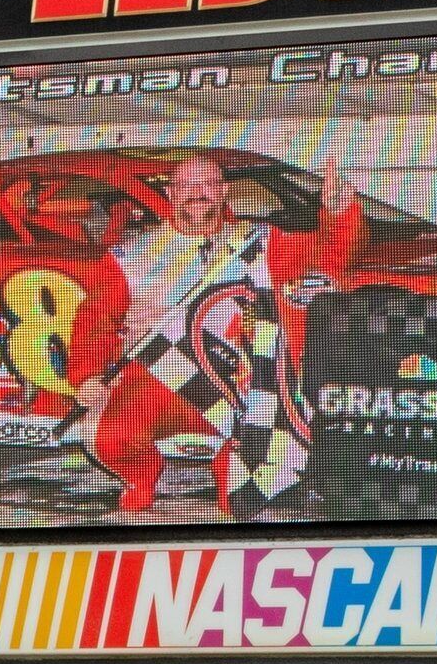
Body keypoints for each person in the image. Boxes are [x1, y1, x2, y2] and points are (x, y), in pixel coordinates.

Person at [73, 154, 364, 515]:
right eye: (187, 185)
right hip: (161, 378)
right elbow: (95, 320)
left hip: (245, 382)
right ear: (170, 192)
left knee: (239, 502)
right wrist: (87, 375)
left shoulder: (260, 239)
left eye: (208, 185)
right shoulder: (129, 253)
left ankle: (232, 462)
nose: (198, 193)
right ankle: (143, 477)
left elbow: (330, 257)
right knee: (107, 438)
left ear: (225, 191)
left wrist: (339, 215)